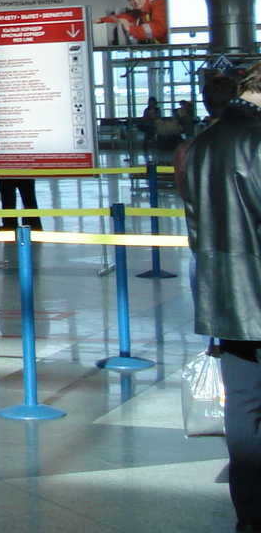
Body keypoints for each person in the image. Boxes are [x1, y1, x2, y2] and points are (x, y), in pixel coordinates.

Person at [182, 61, 261, 532]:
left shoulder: (202, 145)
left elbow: (198, 228)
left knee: (244, 408)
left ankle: (249, 518)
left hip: (226, 299)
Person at [96, 0, 168, 45]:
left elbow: (158, 29)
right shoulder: (140, 11)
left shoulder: (158, 3)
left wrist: (130, 29)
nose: (136, 1)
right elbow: (124, 17)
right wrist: (100, 20)